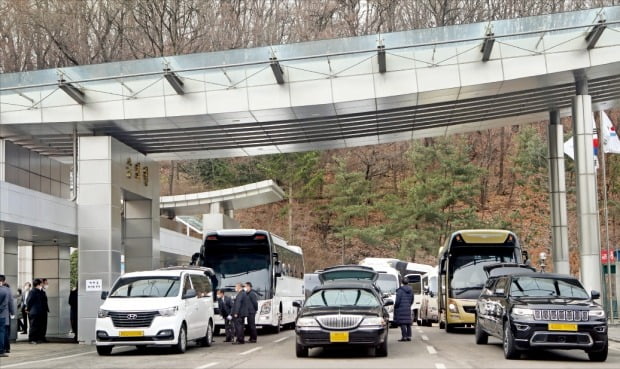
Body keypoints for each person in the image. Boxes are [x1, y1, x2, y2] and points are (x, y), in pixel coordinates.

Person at [26, 278, 48, 344]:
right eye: (41, 283)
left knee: (39, 326)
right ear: (39, 284)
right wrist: (28, 309)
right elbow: (29, 301)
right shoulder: (32, 291)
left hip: (40, 312)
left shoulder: (40, 291)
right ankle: (31, 339)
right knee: (33, 326)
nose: (42, 284)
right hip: (34, 312)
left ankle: (38, 338)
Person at [394, 277, 414, 342]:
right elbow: (412, 300)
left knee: (403, 323)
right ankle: (409, 336)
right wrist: (409, 305)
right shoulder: (411, 290)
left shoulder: (400, 291)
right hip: (408, 307)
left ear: (402, 283)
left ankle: (404, 337)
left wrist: (395, 306)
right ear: (408, 282)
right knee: (408, 323)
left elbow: (397, 301)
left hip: (401, 308)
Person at [0, 275, 15, 357]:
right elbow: (10, 302)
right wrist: (12, 313)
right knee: (3, 332)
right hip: (3, 314)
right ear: (3, 281)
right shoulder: (7, 290)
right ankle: (4, 349)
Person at [0, 275, 10, 357]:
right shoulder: (5, 291)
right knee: (2, 333)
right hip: (2, 315)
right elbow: (5, 303)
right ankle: (1, 350)